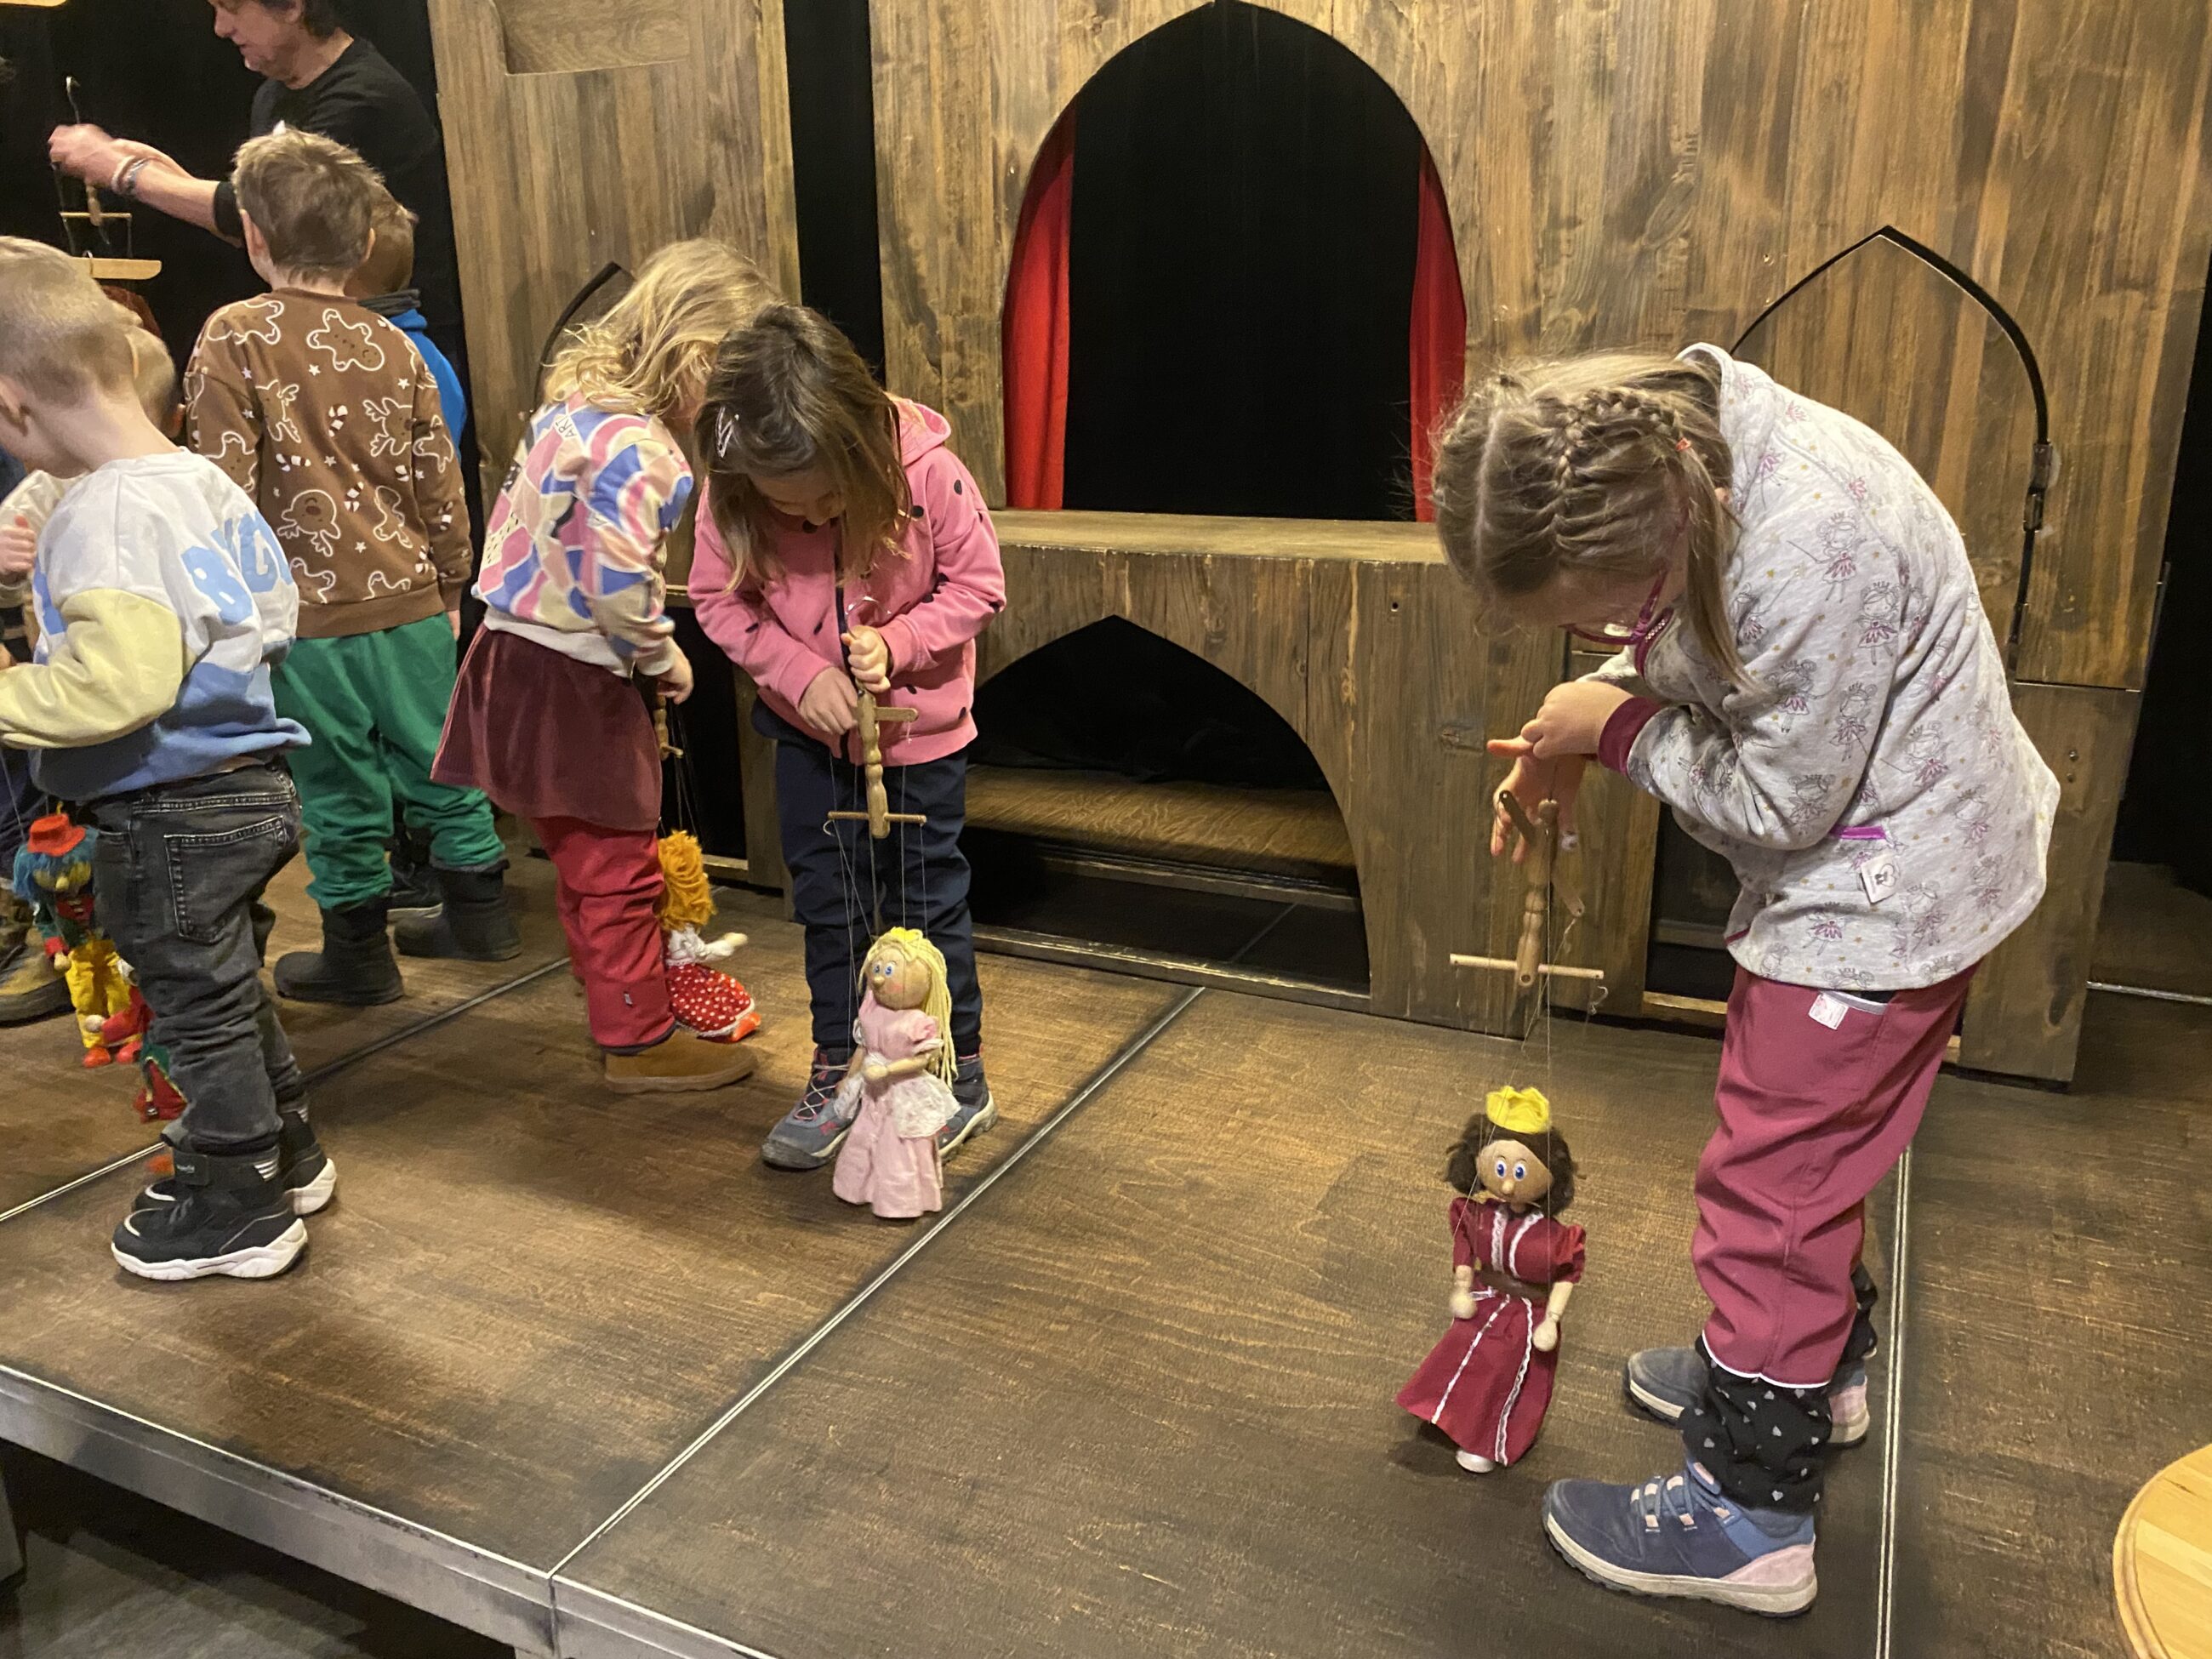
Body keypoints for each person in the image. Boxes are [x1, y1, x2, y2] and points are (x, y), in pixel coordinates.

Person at [1429, 346, 2057, 1614]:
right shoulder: (1699, 448)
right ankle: (1804, 1379)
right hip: (1909, 872)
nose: (1612, 636)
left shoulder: (1808, 544)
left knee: (1767, 1199)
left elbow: (1782, 802)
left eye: (1612, 611)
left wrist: (1611, 728)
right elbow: (1707, 654)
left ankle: (1748, 1513)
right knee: (1819, 1166)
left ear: (1665, 522)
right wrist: (1590, 702)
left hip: (1876, 912)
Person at [0, 237, 319, 1281]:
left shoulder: (101, 514)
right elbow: (274, 614)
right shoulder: (200, 481)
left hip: (166, 808)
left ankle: (236, 1199)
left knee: (194, 1002)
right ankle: (287, 1149)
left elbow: (117, 688)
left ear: (12, 404)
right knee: (226, 989)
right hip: (248, 784)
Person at [185, 128, 515, 1006]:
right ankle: (482, 913)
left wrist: (226, 613)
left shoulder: (235, 336)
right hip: (412, 600)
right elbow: (440, 478)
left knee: (334, 783)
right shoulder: (395, 343)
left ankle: (359, 955)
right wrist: (452, 586)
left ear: (254, 235)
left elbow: (221, 487)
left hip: (307, 619)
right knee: (439, 755)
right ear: (366, 241)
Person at [434, 239, 770, 1093]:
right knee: (620, 867)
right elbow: (617, 583)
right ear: (697, 356)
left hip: (507, 655)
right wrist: (661, 653)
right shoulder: (643, 451)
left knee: (580, 856)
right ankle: (637, 1036)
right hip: (574, 678)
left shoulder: (572, 408)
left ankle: (611, 989)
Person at [691, 303, 1006, 1172]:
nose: (811, 517)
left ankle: (957, 1077)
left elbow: (979, 585)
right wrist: (799, 675)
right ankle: (840, 1066)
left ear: (863, 445)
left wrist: (900, 644)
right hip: (809, 744)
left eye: (829, 498)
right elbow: (716, 598)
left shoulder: (929, 472)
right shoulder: (732, 487)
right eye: (787, 506)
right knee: (832, 911)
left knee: (927, 914)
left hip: (923, 743)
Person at [45, 0, 469, 482]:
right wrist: (161, 173)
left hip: (379, 339)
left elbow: (266, 212)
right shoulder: (273, 98)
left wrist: (126, 172)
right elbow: (256, 225)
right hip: (317, 341)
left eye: (231, 8)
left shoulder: (363, 98)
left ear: (291, 7)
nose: (221, 28)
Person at [2, 322, 185, 1027]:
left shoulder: (175, 488)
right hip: (69, 704)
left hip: (157, 726)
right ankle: (69, 951)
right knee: (68, 845)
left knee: (159, 863)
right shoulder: (43, 492)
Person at [347, 183, 466, 921]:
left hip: (399, 583)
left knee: (407, 734)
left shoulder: (394, 359)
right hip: (406, 576)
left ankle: (429, 871)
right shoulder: (415, 352)